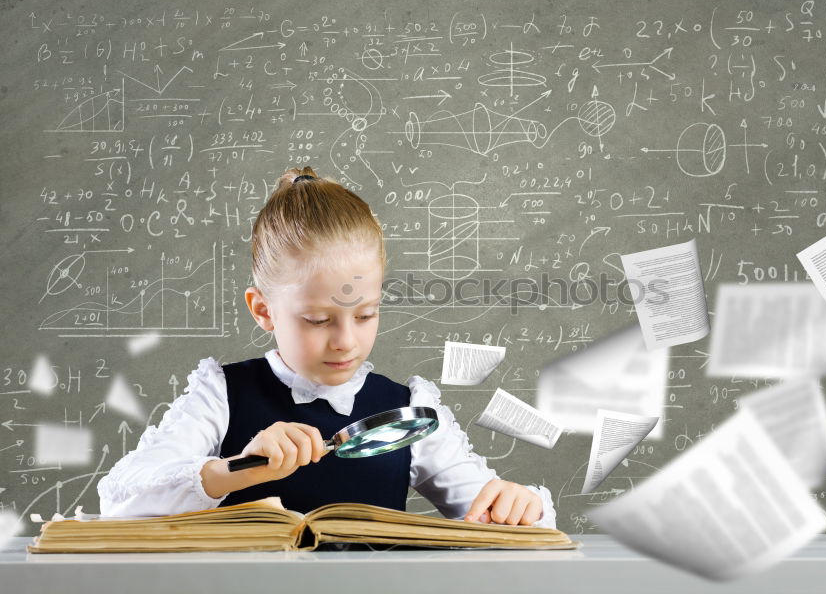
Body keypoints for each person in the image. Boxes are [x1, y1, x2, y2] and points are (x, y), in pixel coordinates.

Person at [97, 166, 556, 528]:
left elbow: (497, 514)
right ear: (263, 310)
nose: (346, 341)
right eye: (317, 320)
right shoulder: (221, 394)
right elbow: (120, 500)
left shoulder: (406, 408)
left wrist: (521, 506)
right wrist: (236, 468)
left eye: (366, 314)